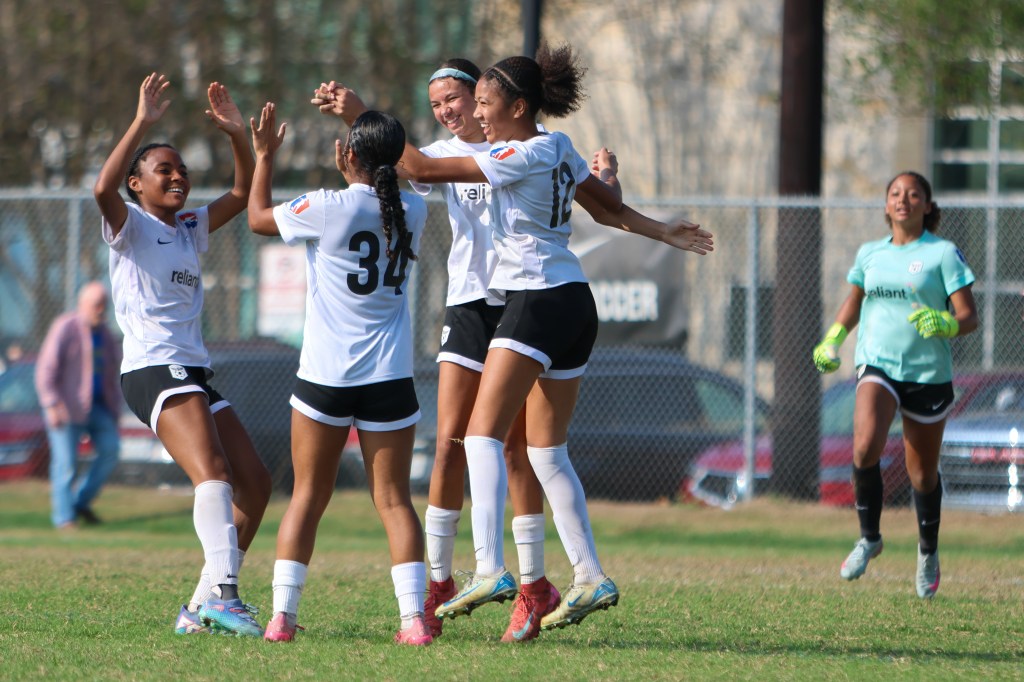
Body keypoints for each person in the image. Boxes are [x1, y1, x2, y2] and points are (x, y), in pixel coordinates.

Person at [314, 43, 713, 633]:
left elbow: (419, 170)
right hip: (573, 299)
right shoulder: (558, 147)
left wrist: (361, 117)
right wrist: (664, 232)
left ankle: (492, 569)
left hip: (534, 297)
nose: (473, 112)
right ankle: (588, 575)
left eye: (481, 101)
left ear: (517, 106)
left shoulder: (516, 151)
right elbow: (606, 211)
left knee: (483, 436)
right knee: (545, 452)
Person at [93, 73, 272, 636]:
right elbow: (101, 191)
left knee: (256, 484)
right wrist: (142, 121)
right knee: (213, 474)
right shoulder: (131, 224)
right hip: (152, 368)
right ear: (137, 185)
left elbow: (243, 196)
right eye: (162, 169)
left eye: (181, 169)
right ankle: (225, 594)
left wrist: (237, 135)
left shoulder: (190, 226)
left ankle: (198, 610)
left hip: (190, 370)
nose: (177, 176)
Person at [247, 103, 432, 645]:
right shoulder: (414, 211)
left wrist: (263, 157)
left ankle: (282, 617)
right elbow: (393, 181)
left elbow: (258, 218)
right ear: (396, 161)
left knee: (307, 496)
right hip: (390, 376)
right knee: (395, 500)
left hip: (326, 375)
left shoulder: (327, 207)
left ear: (346, 153)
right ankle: (413, 621)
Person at [813, 171, 978, 599]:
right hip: (878, 365)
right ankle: (870, 537)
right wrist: (832, 339)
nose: (903, 200)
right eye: (895, 194)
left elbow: (969, 316)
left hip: (927, 376)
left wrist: (946, 322)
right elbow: (854, 302)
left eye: (913, 194)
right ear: (886, 205)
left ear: (927, 204)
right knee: (864, 446)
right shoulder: (870, 253)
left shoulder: (943, 254)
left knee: (921, 475)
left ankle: (928, 551)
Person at [35, 281, 122, 529]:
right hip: (65, 408)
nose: (101, 310)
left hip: (98, 407)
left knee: (111, 449)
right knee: (66, 464)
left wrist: (114, 408)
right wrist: (51, 404)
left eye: (104, 304)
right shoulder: (65, 327)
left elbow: (112, 373)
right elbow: (45, 370)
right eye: (96, 304)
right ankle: (64, 519)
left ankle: (80, 501)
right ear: (82, 304)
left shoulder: (106, 335)